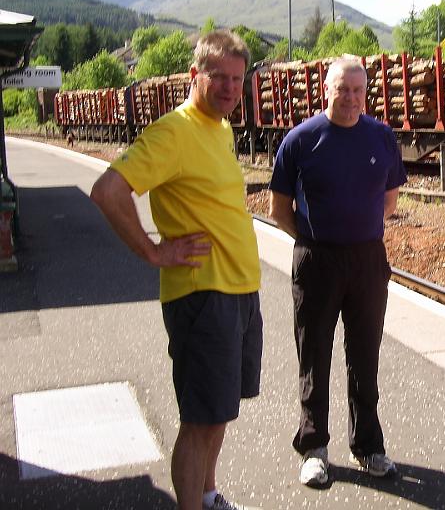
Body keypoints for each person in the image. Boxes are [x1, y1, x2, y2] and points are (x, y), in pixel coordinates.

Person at [91, 30, 262, 510]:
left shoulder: (220, 128)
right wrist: (153, 251)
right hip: (203, 297)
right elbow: (108, 191)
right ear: (194, 75)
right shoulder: (173, 131)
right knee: (199, 419)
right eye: (219, 77)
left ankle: (207, 495)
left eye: (237, 79)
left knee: (218, 412)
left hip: (238, 291)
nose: (230, 88)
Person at [268, 57, 407, 487]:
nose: (350, 98)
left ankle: (368, 446)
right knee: (314, 355)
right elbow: (278, 210)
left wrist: (355, 233)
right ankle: (314, 448)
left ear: (366, 93)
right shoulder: (300, 140)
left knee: (365, 355)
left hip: (367, 261)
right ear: (326, 90)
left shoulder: (381, 137)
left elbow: (389, 201)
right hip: (317, 261)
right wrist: (316, 239)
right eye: (342, 89)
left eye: (358, 90)